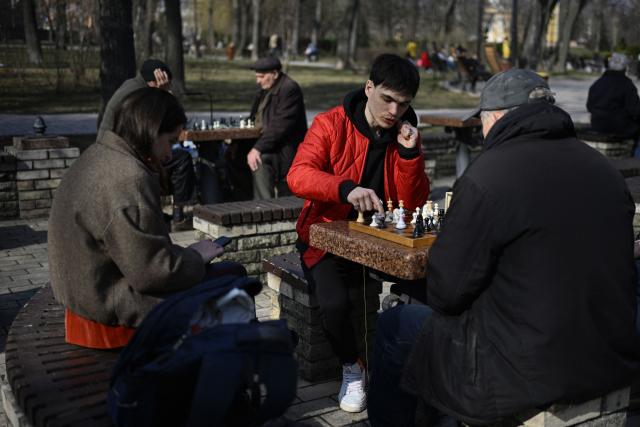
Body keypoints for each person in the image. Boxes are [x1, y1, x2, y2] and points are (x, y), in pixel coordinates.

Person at [368, 68, 640, 426]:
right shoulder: (604, 171)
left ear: (494, 117)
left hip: (524, 367)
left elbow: (447, 292)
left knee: (394, 324)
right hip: (609, 350)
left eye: (481, 121)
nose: (481, 131)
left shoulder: (488, 176)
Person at [49, 88, 246, 349]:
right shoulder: (130, 177)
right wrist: (196, 256)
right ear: (151, 131)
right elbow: (151, 273)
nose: (169, 153)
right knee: (235, 280)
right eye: (170, 140)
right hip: (108, 314)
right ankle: (219, 378)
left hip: (82, 299)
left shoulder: (97, 154)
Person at [287, 53, 430, 413]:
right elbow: (297, 175)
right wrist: (344, 188)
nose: (394, 111)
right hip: (325, 236)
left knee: (429, 283)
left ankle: (419, 369)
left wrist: (410, 156)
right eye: (387, 99)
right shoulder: (330, 124)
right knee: (335, 304)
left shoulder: (405, 133)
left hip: (380, 235)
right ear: (369, 88)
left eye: (403, 103)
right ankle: (352, 367)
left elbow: (411, 203)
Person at [98, 59, 197, 230]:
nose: (168, 86)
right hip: (121, 155)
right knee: (181, 160)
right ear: (156, 80)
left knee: (171, 157)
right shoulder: (138, 94)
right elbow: (173, 122)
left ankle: (163, 213)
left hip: (116, 151)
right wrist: (163, 94)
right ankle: (179, 217)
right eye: (166, 82)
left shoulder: (133, 86)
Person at [245, 56, 307, 200]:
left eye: (261, 76)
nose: (257, 80)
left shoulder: (289, 89)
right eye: (256, 76)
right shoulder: (264, 90)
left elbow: (280, 126)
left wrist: (258, 148)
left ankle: (264, 209)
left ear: (274, 73)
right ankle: (238, 206)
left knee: (259, 160)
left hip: (285, 149)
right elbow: (253, 118)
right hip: (270, 144)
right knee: (233, 157)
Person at [587, 52, 640, 142]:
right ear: (625, 67)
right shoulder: (627, 85)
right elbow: (635, 110)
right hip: (619, 127)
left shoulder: (597, 83)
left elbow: (589, 106)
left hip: (597, 124)